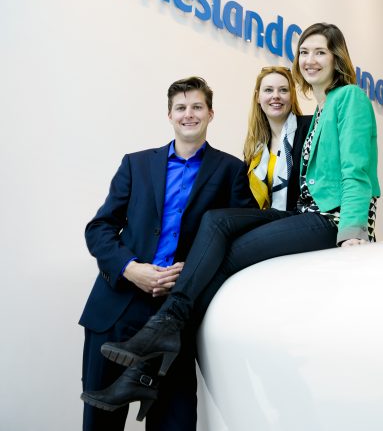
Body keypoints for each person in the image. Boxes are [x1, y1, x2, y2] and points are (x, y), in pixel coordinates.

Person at [88, 23, 380, 410]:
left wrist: (353, 233)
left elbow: (357, 170)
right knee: (217, 223)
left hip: (330, 219)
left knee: (220, 248)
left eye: (320, 52)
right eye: (304, 52)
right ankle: (154, 352)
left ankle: (153, 349)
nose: (309, 60)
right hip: (304, 215)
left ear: (337, 58)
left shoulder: (349, 98)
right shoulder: (320, 109)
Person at [79, 76, 257, 431]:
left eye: (197, 107)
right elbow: (99, 228)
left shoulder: (231, 171)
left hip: (175, 318)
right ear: (170, 115)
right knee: (101, 422)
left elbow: (243, 237)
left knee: (174, 422)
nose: (189, 114)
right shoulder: (136, 164)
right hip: (116, 308)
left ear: (210, 113)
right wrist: (131, 268)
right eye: (181, 108)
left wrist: (193, 269)